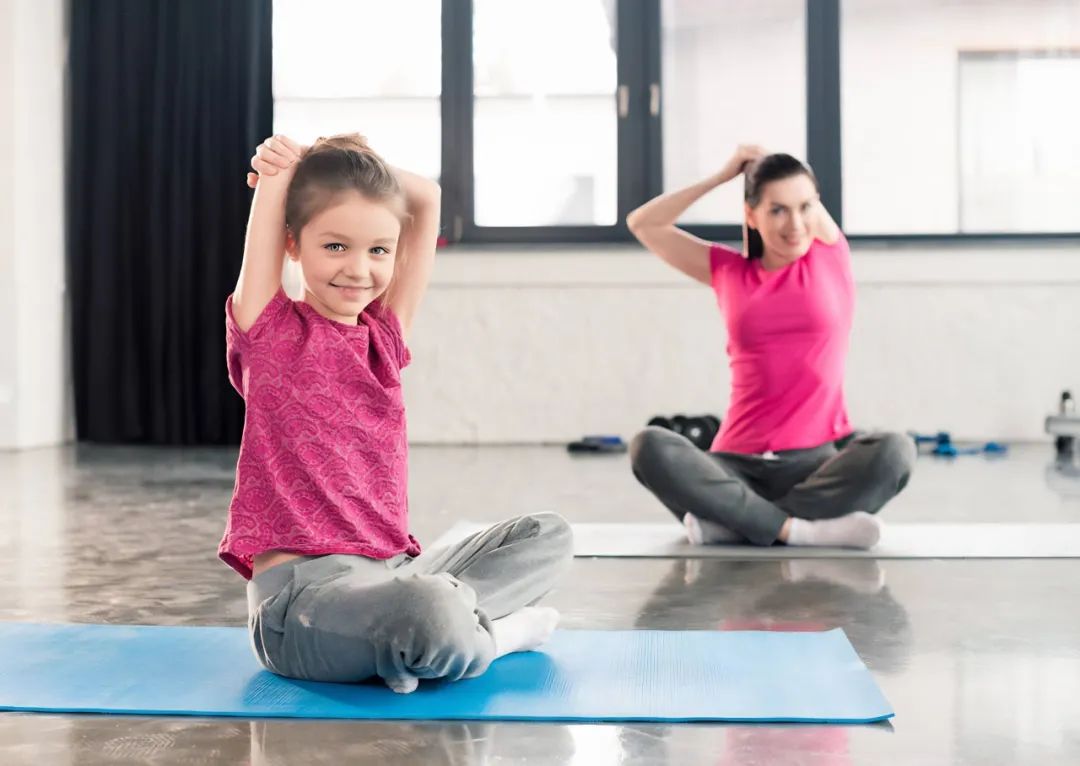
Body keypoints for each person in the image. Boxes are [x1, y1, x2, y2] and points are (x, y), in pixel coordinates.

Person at [223, 133, 571, 693]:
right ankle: (496, 637)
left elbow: (426, 195)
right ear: (293, 244)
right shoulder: (269, 332)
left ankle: (421, 638)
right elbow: (274, 218)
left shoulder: (382, 337)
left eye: (379, 250)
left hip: (394, 575)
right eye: (335, 246)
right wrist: (283, 176)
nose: (359, 269)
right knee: (429, 608)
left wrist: (344, 158)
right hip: (300, 604)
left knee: (546, 534)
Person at [626, 145, 916, 549]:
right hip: (733, 466)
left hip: (814, 465)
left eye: (804, 208)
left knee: (894, 451)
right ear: (751, 215)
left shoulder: (829, 256)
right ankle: (796, 530)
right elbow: (644, 224)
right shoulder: (729, 272)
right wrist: (722, 176)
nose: (794, 223)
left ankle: (735, 522)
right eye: (777, 209)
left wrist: (773, 166)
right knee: (649, 446)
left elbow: (803, 194)